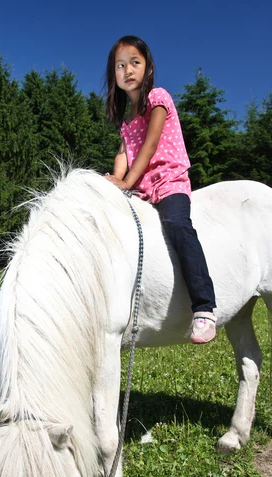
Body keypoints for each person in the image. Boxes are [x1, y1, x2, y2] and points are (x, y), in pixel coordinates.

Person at [104, 35, 217, 344]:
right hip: (141, 189)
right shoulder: (126, 122)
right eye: (120, 65)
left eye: (134, 63)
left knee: (177, 225)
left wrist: (127, 181)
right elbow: (123, 155)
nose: (127, 70)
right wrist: (116, 182)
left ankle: (205, 307)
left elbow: (151, 143)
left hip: (169, 181)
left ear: (148, 67)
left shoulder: (158, 98)